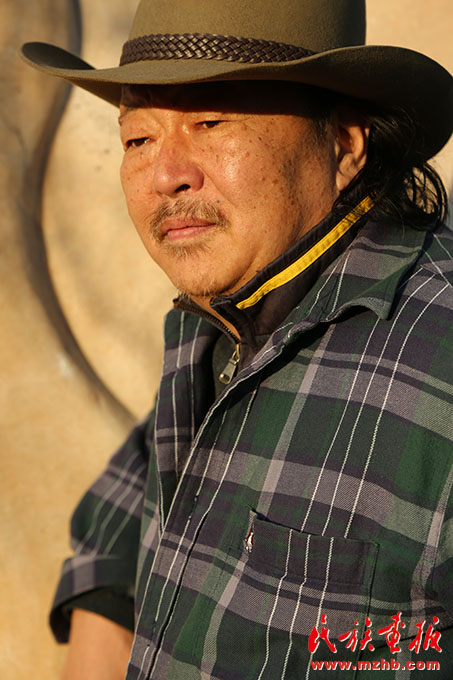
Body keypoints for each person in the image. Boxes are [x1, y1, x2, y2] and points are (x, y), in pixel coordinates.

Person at [22, 0, 453, 678]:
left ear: (344, 144)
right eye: (137, 140)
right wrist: (102, 617)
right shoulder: (215, 324)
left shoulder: (435, 363)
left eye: (210, 122)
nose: (166, 175)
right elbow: (139, 487)